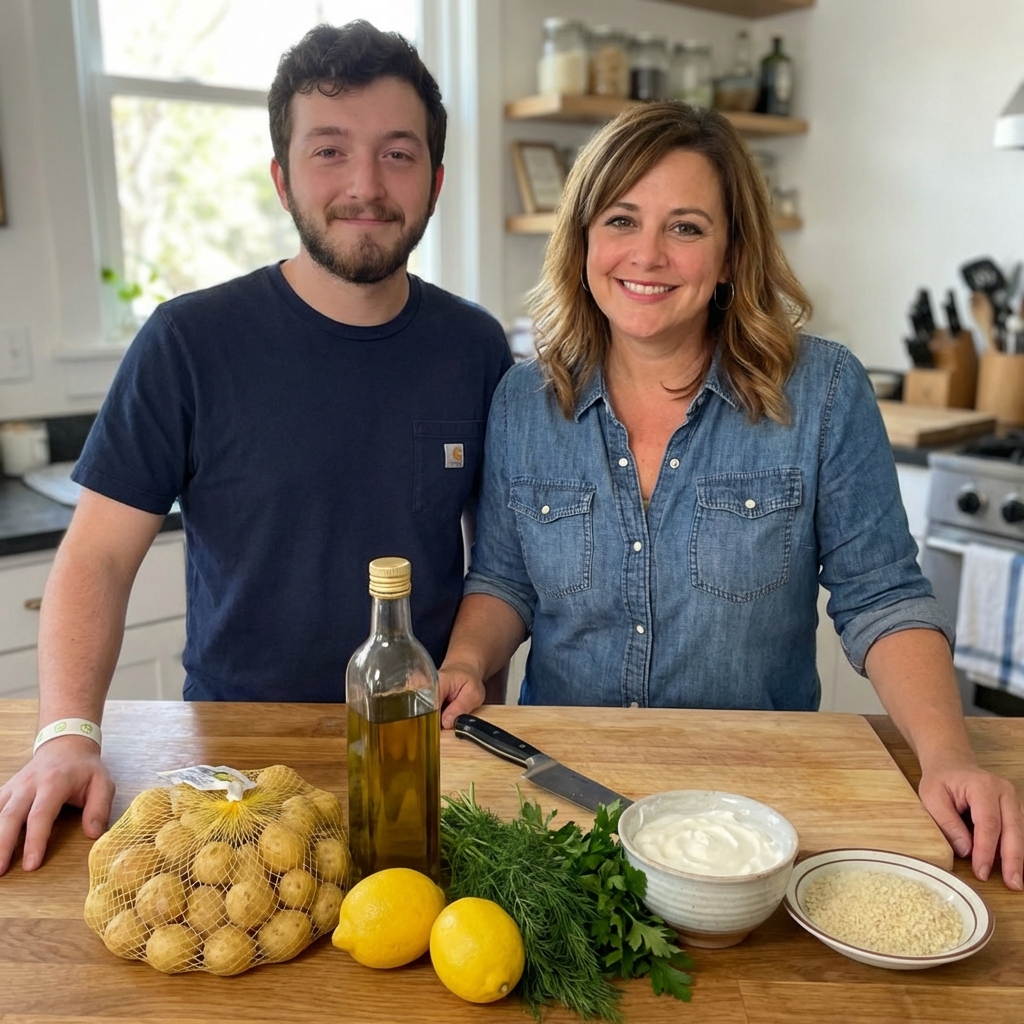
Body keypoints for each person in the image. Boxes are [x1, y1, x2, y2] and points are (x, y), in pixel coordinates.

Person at [438, 102, 1024, 890]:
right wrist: (468, 661)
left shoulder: (821, 392)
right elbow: (504, 578)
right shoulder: (523, 399)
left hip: (760, 801)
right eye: (620, 219)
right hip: (560, 792)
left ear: (730, 254)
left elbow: (881, 596)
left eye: (685, 227)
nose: (647, 254)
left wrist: (950, 757)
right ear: (582, 242)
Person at [0, 21, 511, 876]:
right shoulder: (187, 343)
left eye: (397, 153)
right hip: (236, 761)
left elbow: (502, 559)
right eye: (328, 152)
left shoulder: (476, 347)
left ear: (435, 179)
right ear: (281, 178)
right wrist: (66, 735)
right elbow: (95, 557)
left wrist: (469, 661)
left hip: (418, 758)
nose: (365, 185)